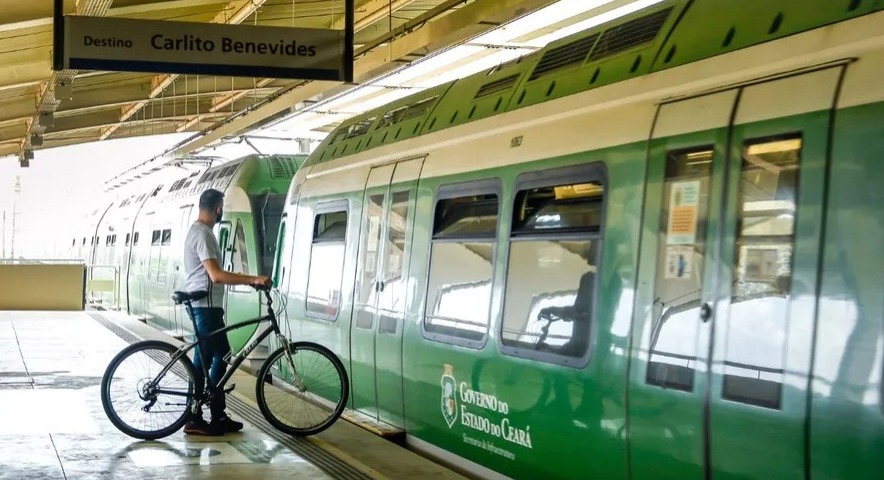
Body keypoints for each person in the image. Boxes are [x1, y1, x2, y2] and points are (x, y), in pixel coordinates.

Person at [182, 188, 271, 435]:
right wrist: (252, 279)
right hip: (206, 308)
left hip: (207, 307)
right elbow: (216, 275)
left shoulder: (199, 231)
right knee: (211, 358)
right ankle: (201, 415)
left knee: (213, 357)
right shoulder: (203, 234)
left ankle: (209, 414)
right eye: (222, 208)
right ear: (218, 208)